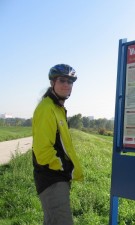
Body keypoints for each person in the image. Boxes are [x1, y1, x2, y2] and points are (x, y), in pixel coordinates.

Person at [32, 64, 84, 225]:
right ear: (52, 83)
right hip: (52, 178)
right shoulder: (47, 108)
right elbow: (42, 150)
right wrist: (64, 168)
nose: (66, 85)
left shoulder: (58, 108)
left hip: (57, 176)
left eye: (70, 82)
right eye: (62, 80)